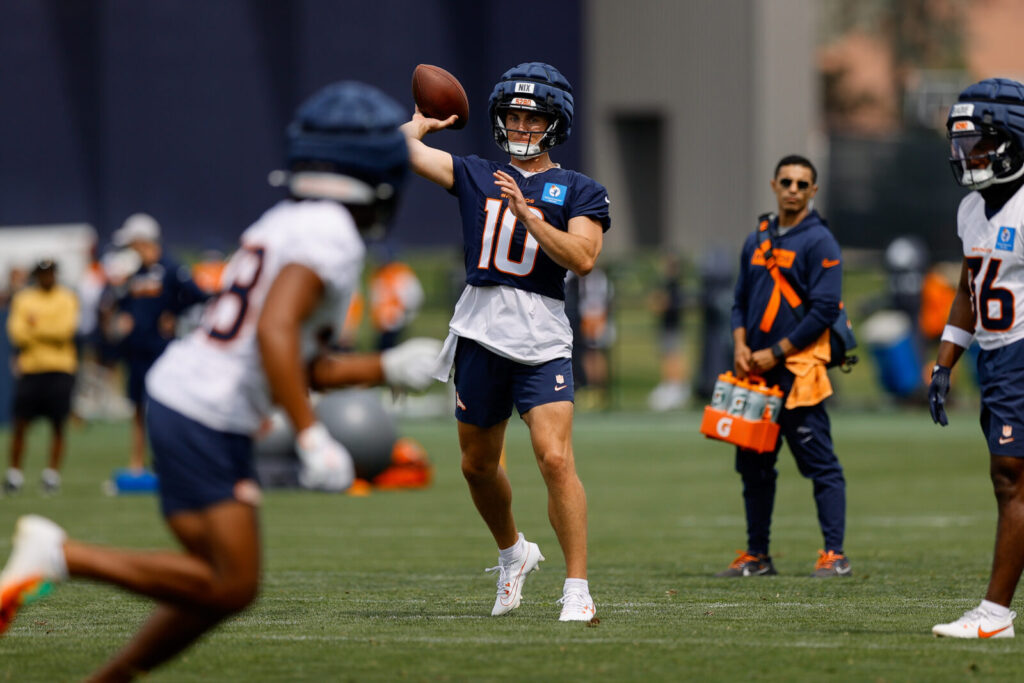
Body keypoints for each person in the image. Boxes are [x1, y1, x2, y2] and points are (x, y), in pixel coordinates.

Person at [0, 81, 441, 679]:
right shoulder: (331, 236)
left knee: (221, 584)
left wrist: (384, 367)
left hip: (191, 401)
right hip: (205, 410)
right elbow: (275, 334)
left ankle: (104, 668)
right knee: (231, 583)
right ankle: (57, 555)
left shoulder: (286, 220)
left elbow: (300, 361)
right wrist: (310, 435)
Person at [402, 62, 610, 621]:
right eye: (512, 116)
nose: (519, 127)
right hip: (479, 329)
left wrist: (530, 215)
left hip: (540, 335)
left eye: (531, 117)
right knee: (475, 465)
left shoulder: (580, 189)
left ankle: (577, 588)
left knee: (554, 457)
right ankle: (513, 553)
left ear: (554, 123)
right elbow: (398, 153)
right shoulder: (475, 173)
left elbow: (584, 259)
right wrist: (421, 122)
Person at [718, 154, 850, 579]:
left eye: (802, 184)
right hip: (754, 373)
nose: (793, 189)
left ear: (813, 191)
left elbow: (825, 309)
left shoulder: (820, 242)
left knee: (820, 464)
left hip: (798, 373)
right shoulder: (756, 239)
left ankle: (834, 555)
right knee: (754, 467)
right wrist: (740, 344)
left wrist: (776, 352)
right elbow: (738, 301)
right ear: (774, 185)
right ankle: (758, 556)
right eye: (787, 182)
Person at [929, 77, 1024, 639]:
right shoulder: (971, 210)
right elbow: (970, 288)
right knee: (1009, 479)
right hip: (995, 354)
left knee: (1011, 478)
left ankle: (995, 614)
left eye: (980, 143)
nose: (968, 156)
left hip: (1021, 350)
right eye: (962, 144)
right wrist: (946, 362)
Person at [110, 213, 210, 473]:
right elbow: (120, 303)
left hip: (161, 351)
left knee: (162, 408)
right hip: (137, 350)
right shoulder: (134, 274)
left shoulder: (171, 267)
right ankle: (137, 461)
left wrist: (174, 314)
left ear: (143, 242)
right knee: (137, 409)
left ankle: (167, 460)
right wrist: (124, 314)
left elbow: (198, 295)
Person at [5, 260, 79, 494]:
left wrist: (35, 327)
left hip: (60, 368)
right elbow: (17, 333)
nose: (47, 278)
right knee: (20, 424)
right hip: (31, 368)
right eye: (42, 274)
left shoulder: (66, 297)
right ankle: (14, 475)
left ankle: (51, 476)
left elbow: (64, 331)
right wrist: (47, 330)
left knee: (58, 424)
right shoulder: (24, 298)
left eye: (50, 274)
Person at [648, 255, 690, 411]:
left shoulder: (674, 285)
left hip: (673, 326)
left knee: (673, 355)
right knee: (667, 355)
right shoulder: (666, 284)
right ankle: (670, 385)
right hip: (666, 326)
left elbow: (663, 304)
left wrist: (660, 303)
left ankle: (676, 387)